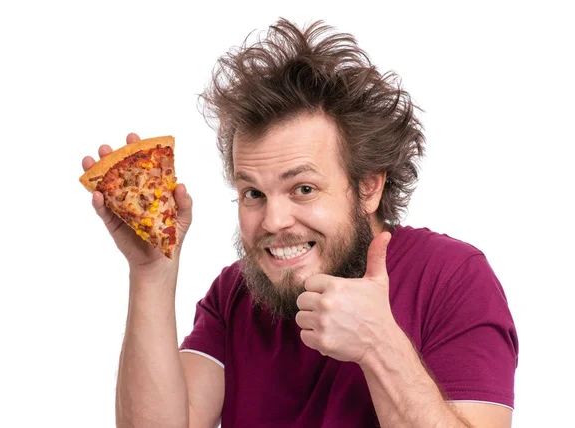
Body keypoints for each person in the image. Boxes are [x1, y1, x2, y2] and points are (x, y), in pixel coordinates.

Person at [82, 18, 518, 428]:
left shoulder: (452, 278)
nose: (273, 220)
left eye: (303, 189)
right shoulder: (234, 295)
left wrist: (379, 346)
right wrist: (151, 274)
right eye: (253, 193)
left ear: (368, 187)